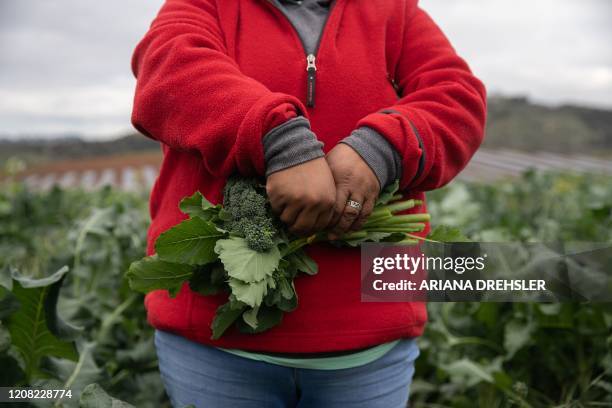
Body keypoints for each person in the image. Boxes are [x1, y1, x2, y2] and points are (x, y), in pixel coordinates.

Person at [131, 0, 486, 406]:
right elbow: (166, 66)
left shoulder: (394, 11)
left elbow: (457, 96)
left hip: (373, 345)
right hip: (215, 348)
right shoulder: (205, 4)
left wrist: (381, 148)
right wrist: (279, 140)